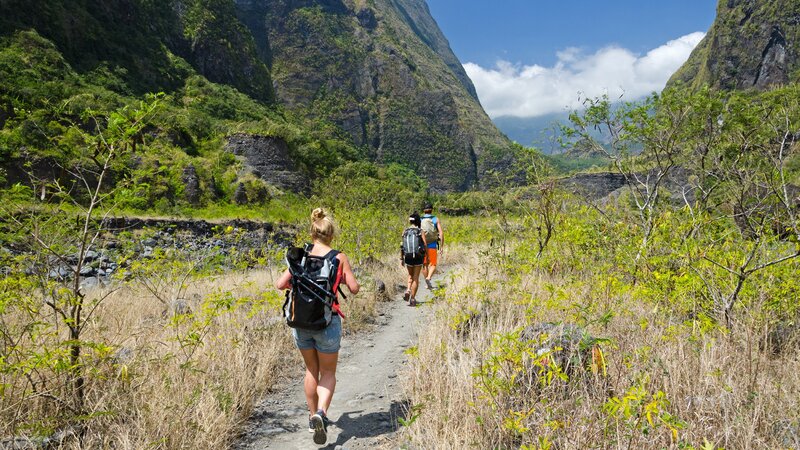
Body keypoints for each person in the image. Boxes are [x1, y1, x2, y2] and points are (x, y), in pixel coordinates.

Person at [274, 208, 360, 445]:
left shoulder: (300, 256)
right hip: (327, 322)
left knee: (311, 370)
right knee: (328, 372)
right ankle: (321, 413)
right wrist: (339, 278)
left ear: (312, 233)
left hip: (300, 323)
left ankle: (312, 419)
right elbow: (354, 288)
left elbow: (281, 284)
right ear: (331, 235)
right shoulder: (338, 257)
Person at [400, 212, 426, 306]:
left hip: (408, 256)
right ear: (418, 221)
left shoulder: (405, 231)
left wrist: (401, 258)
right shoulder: (420, 231)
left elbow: (402, 246)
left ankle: (408, 290)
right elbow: (425, 245)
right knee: (415, 277)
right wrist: (426, 256)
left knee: (410, 275)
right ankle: (413, 299)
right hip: (418, 256)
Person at [421, 203, 443, 289]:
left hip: (422, 245)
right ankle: (429, 278)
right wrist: (441, 246)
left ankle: (427, 283)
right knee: (433, 264)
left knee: (425, 264)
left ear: (424, 210)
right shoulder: (435, 219)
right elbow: (441, 233)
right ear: (432, 210)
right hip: (432, 244)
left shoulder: (420, 219)